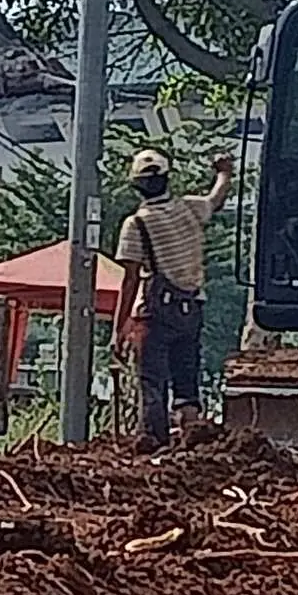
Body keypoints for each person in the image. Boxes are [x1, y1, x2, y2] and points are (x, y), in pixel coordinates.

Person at [113, 147, 233, 452]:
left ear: (136, 185)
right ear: (168, 179)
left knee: (152, 382)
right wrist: (224, 172)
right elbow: (215, 199)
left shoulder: (136, 224)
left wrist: (120, 327)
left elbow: (130, 280)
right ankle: (192, 444)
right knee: (186, 380)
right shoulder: (189, 208)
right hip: (191, 308)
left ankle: (155, 445)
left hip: (155, 314)